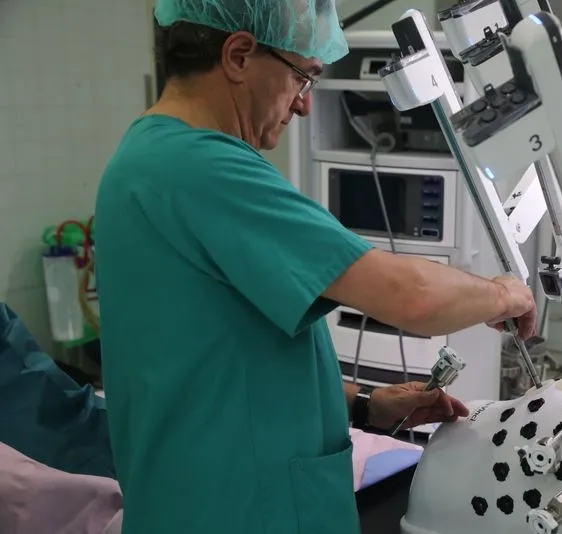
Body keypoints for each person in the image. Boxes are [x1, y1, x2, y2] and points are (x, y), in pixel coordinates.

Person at [92, 1, 538, 533]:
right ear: (238, 55)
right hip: (241, 509)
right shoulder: (200, 167)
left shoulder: (144, 158)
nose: (304, 107)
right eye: (304, 78)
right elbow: (412, 296)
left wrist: (365, 405)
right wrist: (507, 291)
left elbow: (212, 366)